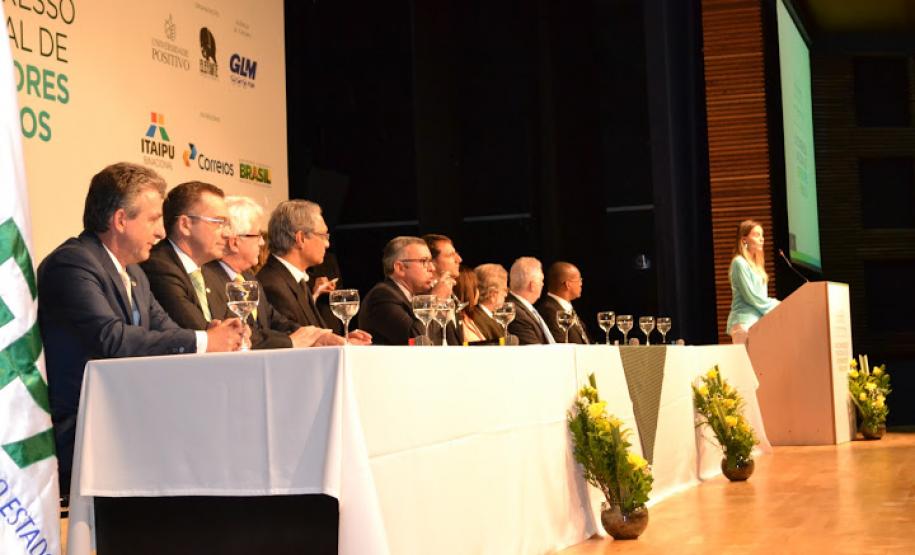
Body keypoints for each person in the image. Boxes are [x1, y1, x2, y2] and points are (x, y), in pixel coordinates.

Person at [37, 162, 244, 495]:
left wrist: (210, 336)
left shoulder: (136, 275)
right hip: (84, 428)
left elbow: (167, 331)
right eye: (152, 219)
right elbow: (112, 338)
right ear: (120, 220)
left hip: (130, 418)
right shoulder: (73, 263)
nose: (162, 232)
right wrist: (204, 340)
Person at [202, 196, 340, 348]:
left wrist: (320, 337)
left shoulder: (247, 278)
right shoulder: (208, 278)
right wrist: (290, 341)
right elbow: (236, 334)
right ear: (235, 242)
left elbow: (274, 320)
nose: (262, 243)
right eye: (257, 235)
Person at [256, 200, 370, 344]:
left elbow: (313, 334)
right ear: (301, 238)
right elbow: (295, 344)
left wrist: (340, 340)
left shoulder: (295, 280)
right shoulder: (272, 285)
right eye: (323, 236)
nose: (327, 244)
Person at [140, 181, 233, 329]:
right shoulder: (159, 267)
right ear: (185, 225)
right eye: (218, 222)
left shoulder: (211, 273)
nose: (228, 234)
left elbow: (231, 326)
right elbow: (199, 332)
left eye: (227, 224)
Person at [359, 236, 459, 345]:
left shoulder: (413, 297)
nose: (432, 268)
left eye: (430, 261)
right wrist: (437, 299)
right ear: (400, 268)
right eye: (424, 261)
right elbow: (417, 339)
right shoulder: (382, 296)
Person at [727, 220, 779, 344]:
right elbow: (751, 297)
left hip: (759, 323)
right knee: (745, 363)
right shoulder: (739, 263)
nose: (762, 239)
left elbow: (761, 297)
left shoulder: (758, 266)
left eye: (762, 235)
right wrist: (776, 305)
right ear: (744, 240)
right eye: (756, 235)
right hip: (744, 324)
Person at [536, 261, 590, 344]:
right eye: (579, 280)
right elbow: (562, 344)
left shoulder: (567, 308)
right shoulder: (549, 311)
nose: (581, 283)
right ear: (568, 284)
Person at [507, 257, 555, 345]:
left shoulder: (524, 308)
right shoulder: (515, 313)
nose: (543, 284)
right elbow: (534, 351)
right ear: (532, 285)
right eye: (542, 280)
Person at [464, 264, 507, 342]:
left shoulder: (479, 315)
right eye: (505, 290)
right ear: (493, 294)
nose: (506, 294)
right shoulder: (476, 319)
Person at [423, 233, 463, 298]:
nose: (459, 259)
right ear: (431, 261)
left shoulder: (452, 288)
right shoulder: (420, 295)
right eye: (450, 255)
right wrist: (437, 298)